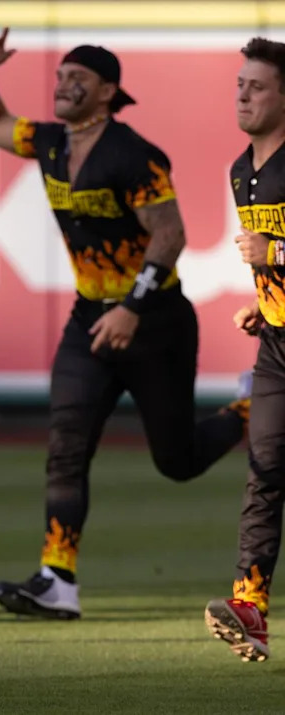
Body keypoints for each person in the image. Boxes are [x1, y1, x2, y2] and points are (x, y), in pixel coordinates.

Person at [0, 31, 249, 620]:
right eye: (61, 75)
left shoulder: (133, 154)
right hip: (89, 318)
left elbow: (172, 236)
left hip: (156, 323)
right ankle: (58, 579)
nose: (64, 85)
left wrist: (132, 308)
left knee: (176, 461)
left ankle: (250, 409)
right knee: (66, 448)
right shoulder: (49, 142)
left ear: (108, 93)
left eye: (80, 79)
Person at [204, 37, 285, 663]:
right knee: (263, 473)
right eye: (239, 84)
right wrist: (266, 300)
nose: (243, 94)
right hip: (278, 346)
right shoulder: (241, 169)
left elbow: (274, 249)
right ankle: (249, 606)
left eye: (255, 86)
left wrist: (277, 256)